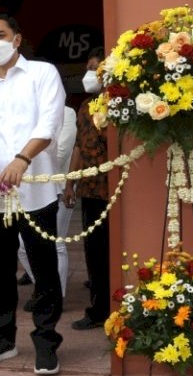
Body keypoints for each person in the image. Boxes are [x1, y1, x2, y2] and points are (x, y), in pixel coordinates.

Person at [0, 14, 65, 374]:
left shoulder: (42, 74)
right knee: (0, 271)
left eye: (0, 35)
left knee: (43, 269)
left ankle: (46, 341)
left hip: (36, 192)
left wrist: (22, 159)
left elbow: (49, 122)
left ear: (17, 39)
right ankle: (2, 339)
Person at [63, 47, 111, 331]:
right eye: (88, 68)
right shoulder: (84, 107)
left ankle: (119, 308)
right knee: (94, 252)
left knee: (115, 252)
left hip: (115, 190)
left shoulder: (121, 104)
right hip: (91, 191)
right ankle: (98, 309)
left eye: (97, 68)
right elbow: (79, 146)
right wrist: (70, 183)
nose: (90, 73)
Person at [18, 104, 77, 310]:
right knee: (23, 246)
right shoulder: (29, 111)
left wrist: (22, 165)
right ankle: (45, 288)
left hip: (57, 185)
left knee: (56, 243)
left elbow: (61, 152)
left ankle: (55, 297)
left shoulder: (67, 113)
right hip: (26, 187)